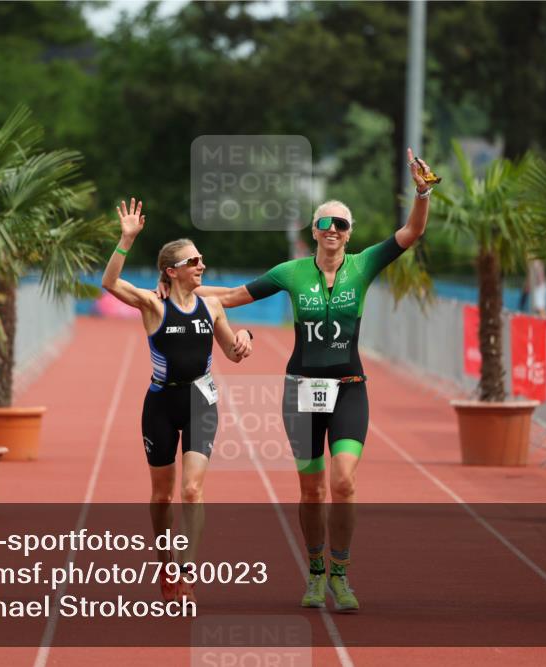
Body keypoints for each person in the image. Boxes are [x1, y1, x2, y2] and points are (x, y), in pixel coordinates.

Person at [187, 149, 434, 611]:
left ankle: (340, 573)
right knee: (312, 490)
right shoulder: (291, 272)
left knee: (344, 482)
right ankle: (316, 571)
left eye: (341, 224)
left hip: (349, 388)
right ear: (315, 231)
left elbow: (412, 232)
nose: (333, 230)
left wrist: (422, 193)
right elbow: (235, 295)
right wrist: (180, 291)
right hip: (300, 391)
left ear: (349, 233)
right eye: (326, 223)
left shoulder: (363, 264)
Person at [100, 198, 253, 604]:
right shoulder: (154, 305)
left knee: (192, 490)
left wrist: (244, 339)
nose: (202, 265)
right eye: (193, 261)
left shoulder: (212, 305)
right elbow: (110, 283)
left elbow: (233, 353)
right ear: (172, 270)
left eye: (201, 259)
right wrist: (126, 239)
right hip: (160, 405)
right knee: (162, 496)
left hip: (201, 399)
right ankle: (165, 560)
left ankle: (186, 571)